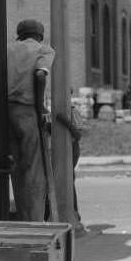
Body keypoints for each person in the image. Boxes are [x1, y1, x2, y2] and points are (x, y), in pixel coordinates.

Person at [7, 18, 55, 221]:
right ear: (40, 35)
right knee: (33, 172)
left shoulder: (8, 49)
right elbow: (40, 75)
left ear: (19, 34)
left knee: (14, 170)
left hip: (6, 110)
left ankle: (21, 214)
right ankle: (34, 222)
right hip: (27, 111)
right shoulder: (44, 50)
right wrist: (40, 107)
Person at [55, 97, 87, 234]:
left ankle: (74, 214)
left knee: (68, 180)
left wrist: (65, 122)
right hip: (60, 150)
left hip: (72, 149)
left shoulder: (72, 111)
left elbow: (78, 134)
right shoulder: (53, 110)